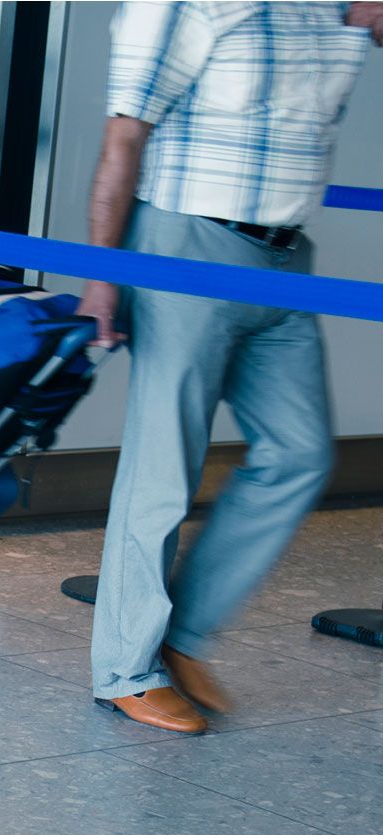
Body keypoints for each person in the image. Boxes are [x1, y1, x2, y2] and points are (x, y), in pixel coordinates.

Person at [78, 1, 371, 734]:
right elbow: (124, 135)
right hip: (189, 242)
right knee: (164, 466)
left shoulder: (331, 7)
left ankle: (179, 633)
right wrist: (100, 276)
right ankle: (125, 669)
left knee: (300, 452)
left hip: (283, 253)